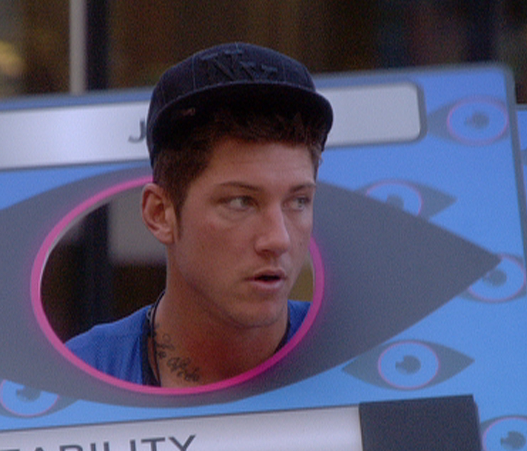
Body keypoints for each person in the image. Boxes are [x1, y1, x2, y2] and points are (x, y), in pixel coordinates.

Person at [66, 42, 333, 387]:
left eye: (298, 201)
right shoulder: (78, 381)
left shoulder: (361, 359)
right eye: (241, 202)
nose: (278, 239)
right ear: (160, 214)